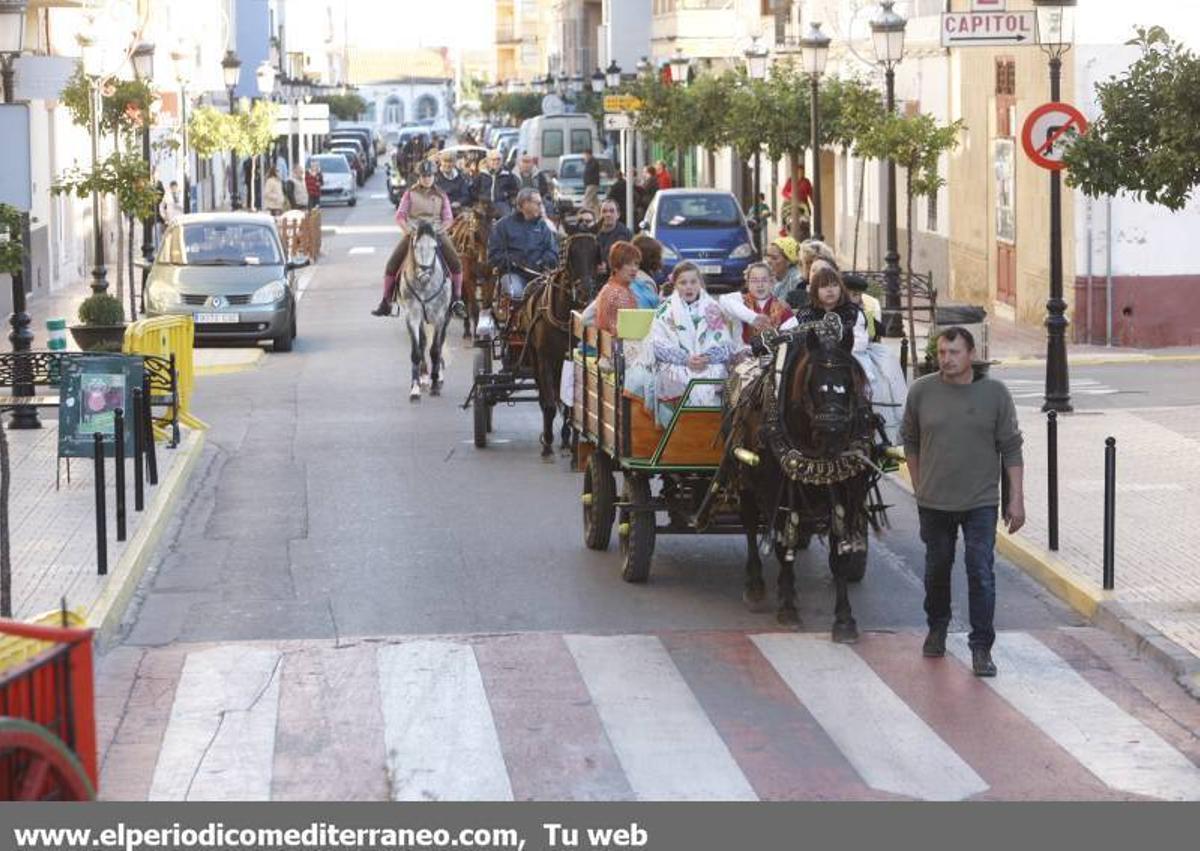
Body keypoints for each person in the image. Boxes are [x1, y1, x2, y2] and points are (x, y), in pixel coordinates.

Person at [901, 326, 1024, 678]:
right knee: (937, 569)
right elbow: (909, 439)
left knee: (980, 572)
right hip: (934, 501)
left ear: (971, 354)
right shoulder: (922, 391)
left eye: (954, 352)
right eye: (941, 352)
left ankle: (981, 647)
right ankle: (937, 626)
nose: (947, 359)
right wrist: (918, 480)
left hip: (980, 501)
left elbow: (1011, 448)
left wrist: (1016, 499)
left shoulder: (995, 394)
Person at [643, 261, 737, 421]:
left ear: (700, 283)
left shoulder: (713, 308)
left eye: (693, 282)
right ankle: (683, 426)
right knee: (679, 377)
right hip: (678, 363)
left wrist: (707, 357)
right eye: (683, 282)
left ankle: (711, 426)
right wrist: (685, 359)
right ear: (675, 285)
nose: (689, 287)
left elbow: (725, 344)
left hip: (708, 363)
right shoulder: (665, 311)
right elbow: (657, 344)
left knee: (714, 376)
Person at [371, 159, 465, 317]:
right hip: (414, 233)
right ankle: (386, 301)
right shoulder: (410, 194)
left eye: (429, 176)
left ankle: (457, 299)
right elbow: (400, 215)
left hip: (436, 232)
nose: (427, 179)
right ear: (419, 177)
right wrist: (407, 230)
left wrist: (442, 228)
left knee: (455, 262)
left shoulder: (441, 195)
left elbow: (448, 218)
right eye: (423, 176)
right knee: (392, 263)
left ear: (434, 176)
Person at [486, 187, 559, 301]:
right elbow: (493, 255)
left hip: (540, 275)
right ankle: (512, 318)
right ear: (525, 204)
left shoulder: (543, 227)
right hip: (514, 274)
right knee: (515, 294)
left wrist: (542, 261)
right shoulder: (503, 226)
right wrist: (513, 261)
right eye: (538, 203)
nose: (541, 207)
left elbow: (553, 252)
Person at [792, 260, 866, 353]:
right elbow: (795, 340)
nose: (830, 290)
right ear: (815, 290)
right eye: (823, 286)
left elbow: (860, 343)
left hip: (847, 356)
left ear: (841, 288)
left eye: (834, 285)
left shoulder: (853, 312)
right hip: (812, 357)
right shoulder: (805, 313)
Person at [718, 262, 794, 345]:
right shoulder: (739, 300)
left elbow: (792, 336)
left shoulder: (782, 308)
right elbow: (723, 300)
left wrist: (773, 334)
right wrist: (753, 318)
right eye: (754, 281)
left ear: (772, 282)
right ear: (747, 283)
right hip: (742, 354)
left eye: (764, 280)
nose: (760, 285)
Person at [592, 241, 643, 335]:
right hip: (617, 346)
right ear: (616, 267)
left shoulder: (611, 287)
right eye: (628, 264)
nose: (634, 269)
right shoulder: (619, 293)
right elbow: (625, 332)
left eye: (636, 264)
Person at [595, 199, 632, 276]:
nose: (608, 214)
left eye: (612, 211)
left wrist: (608, 267)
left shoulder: (625, 235)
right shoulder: (592, 234)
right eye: (604, 211)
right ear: (599, 215)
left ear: (618, 215)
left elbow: (626, 261)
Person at [766, 236, 803, 302]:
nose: (768, 261)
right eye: (768, 256)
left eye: (774, 258)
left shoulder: (796, 281)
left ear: (789, 261)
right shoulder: (770, 278)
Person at [581, 149, 601, 215]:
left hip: (592, 184)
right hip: (590, 184)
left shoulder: (593, 162)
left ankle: (584, 215)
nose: (584, 156)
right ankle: (598, 216)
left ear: (589, 154)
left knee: (586, 201)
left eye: (585, 155)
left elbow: (590, 171)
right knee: (595, 202)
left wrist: (587, 162)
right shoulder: (589, 162)